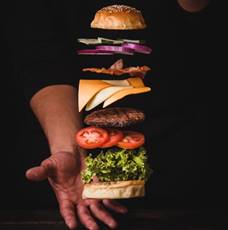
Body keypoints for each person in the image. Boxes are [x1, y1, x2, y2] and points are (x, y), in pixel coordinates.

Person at [1, 0, 212, 229]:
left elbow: (206, 37)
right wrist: (67, 147)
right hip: (70, 182)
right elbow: (42, 63)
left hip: (191, 171)